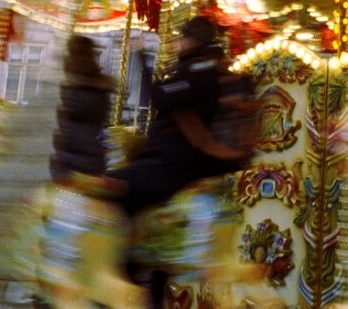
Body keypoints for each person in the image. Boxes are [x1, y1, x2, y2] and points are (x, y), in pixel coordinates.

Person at [111, 16, 251, 217]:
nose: (177, 44)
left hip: (174, 165)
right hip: (199, 163)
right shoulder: (217, 67)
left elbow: (161, 98)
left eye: (181, 38)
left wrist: (141, 58)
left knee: (114, 189)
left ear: (192, 40)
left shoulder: (196, 69)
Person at [50, 35, 115, 181]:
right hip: (95, 156)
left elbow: (60, 121)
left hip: (69, 159)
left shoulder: (69, 86)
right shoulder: (101, 86)